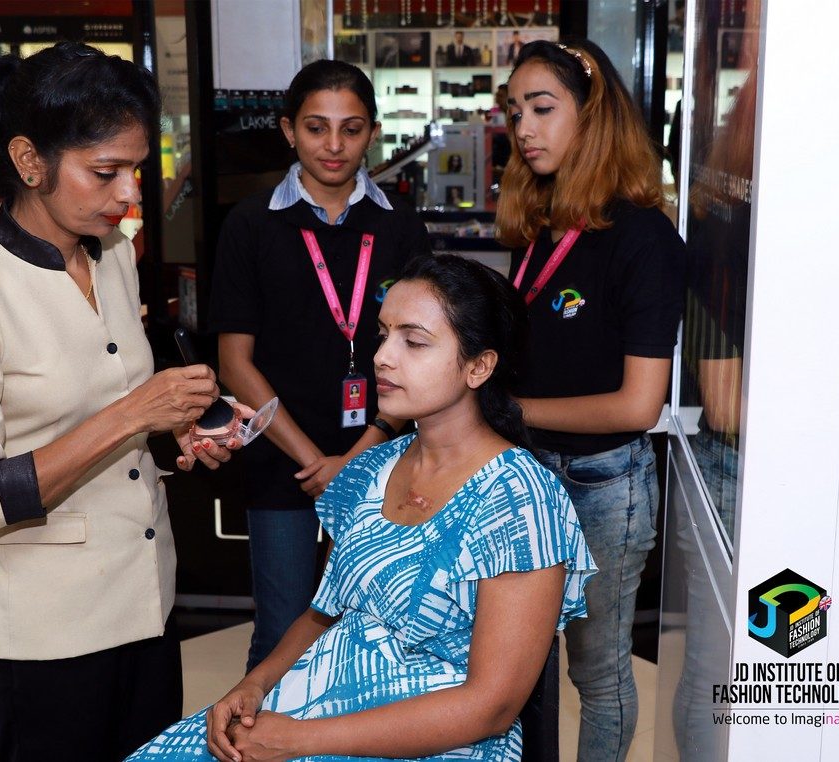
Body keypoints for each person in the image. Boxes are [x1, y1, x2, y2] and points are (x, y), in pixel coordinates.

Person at [0, 42, 242, 762]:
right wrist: (134, 415)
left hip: (145, 604)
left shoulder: (112, 256)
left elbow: (109, 405)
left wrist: (174, 429)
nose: (128, 197)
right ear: (29, 161)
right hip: (47, 641)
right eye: (105, 173)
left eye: (135, 171)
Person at [129, 254, 595, 762]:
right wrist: (254, 686)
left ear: (479, 366)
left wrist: (297, 740)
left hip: (435, 739)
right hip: (316, 702)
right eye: (383, 333)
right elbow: (323, 614)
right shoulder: (372, 470)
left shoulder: (520, 497)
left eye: (413, 342)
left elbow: (491, 706)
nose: (382, 357)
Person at [209, 59, 432, 673]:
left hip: (381, 456)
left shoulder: (400, 227)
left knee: (372, 628)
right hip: (282, 458)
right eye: (315, 128)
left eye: (351, 129)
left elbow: (422, 357)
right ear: (288, 130)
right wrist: (314, 462)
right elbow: (235, 362)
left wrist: (354, 460)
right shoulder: (251, 225)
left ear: (373, 132)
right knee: (282, 630)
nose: (333, 146)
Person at [498, 40, 686, 761]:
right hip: (531, 474)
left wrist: (512, 412)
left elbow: (639, 406)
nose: (525, 128)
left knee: (598, 674)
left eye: (543, 108)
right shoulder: (546, 221)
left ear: (594, 115)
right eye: (516, 112)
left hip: (604, 486)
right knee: (520, 666)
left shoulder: (643, 238)